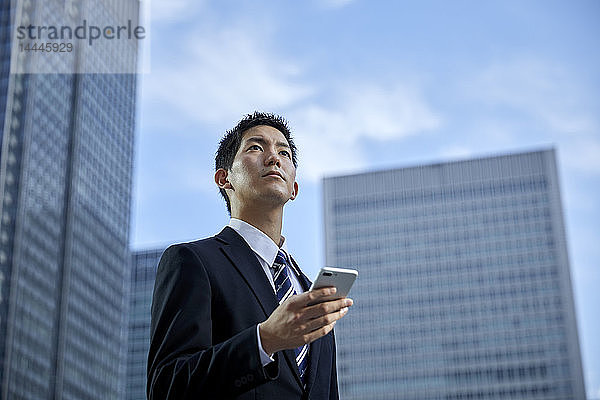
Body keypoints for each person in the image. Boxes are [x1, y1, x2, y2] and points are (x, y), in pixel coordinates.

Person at [147, 112, 353, 399]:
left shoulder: (310, 294)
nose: (274, 158)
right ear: (224, 178)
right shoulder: (192, 261)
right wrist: (264, 340)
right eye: (256, 147)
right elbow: (167, 387)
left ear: (294, 188)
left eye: (284, 152)